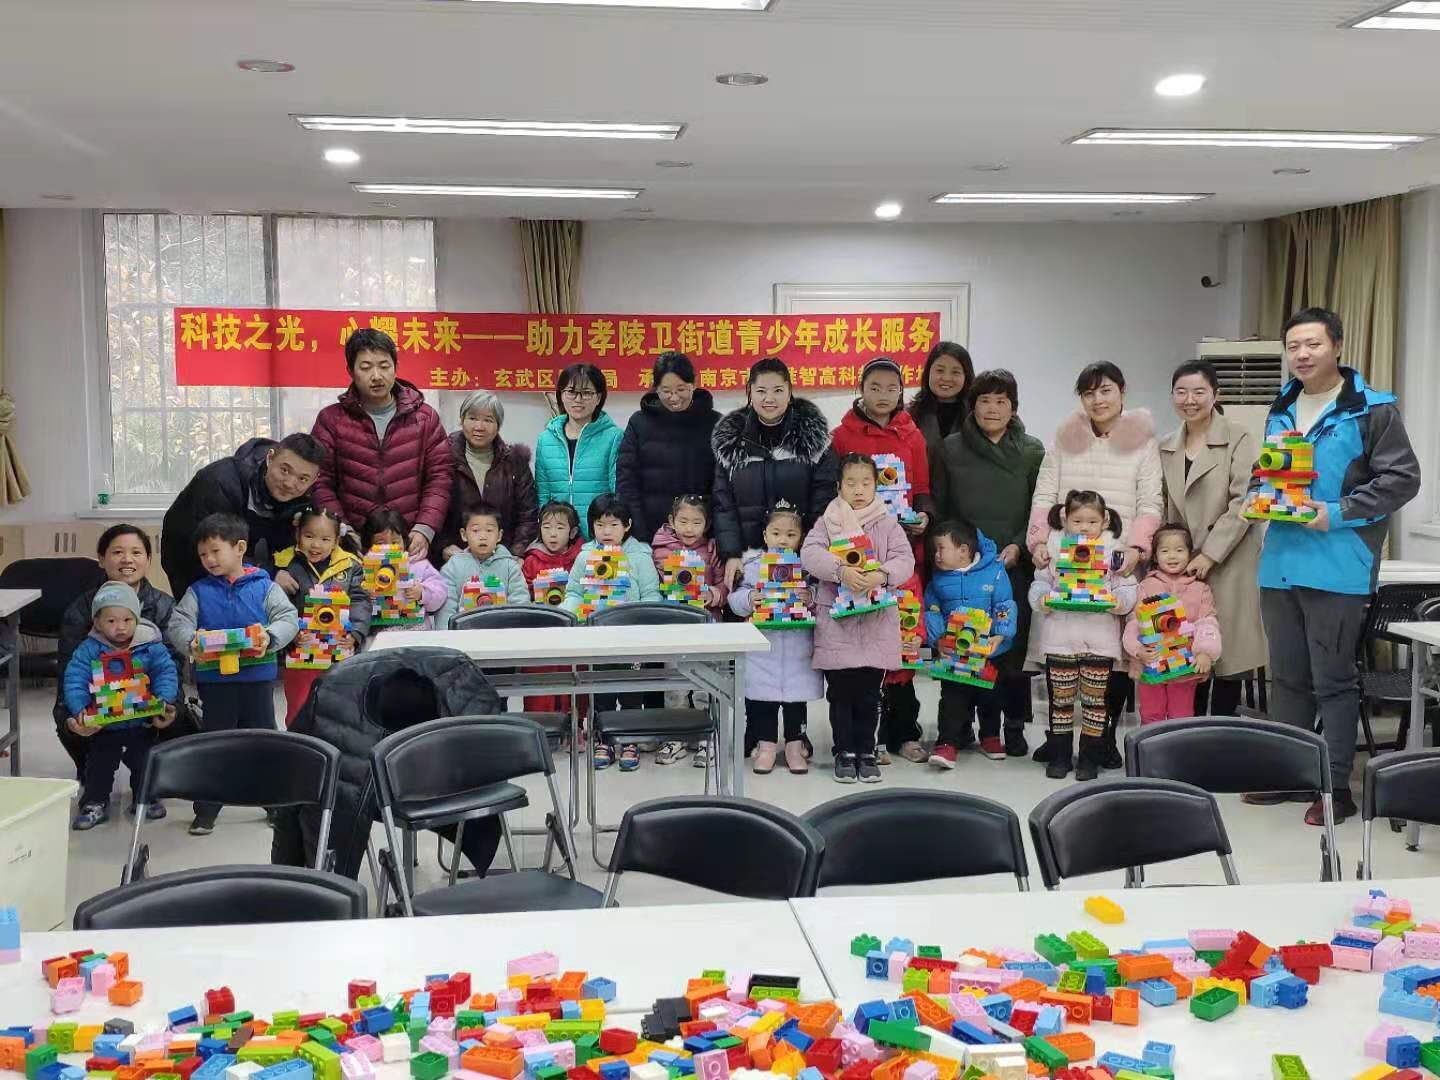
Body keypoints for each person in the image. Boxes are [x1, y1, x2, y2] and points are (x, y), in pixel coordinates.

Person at [1249, 307, 1420, 826]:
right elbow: (1272, 471)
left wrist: (1338, 512)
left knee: (1333, 681)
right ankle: (1288, 775)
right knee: (1287, 678)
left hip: (1338, 563)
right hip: (1280, 561)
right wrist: (1257, 494)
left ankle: (1334, 789)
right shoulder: (1282, 405)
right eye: (1293, 346)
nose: (1302, 354)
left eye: (1313, 344)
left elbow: (1402, 480)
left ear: (1338, 346)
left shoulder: (1373, 409)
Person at [1028, 362, 1162, 769]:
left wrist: (1137, 548)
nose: (1097, 400)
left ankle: (1101, 740)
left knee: (1112, 655)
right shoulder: (1064, 438)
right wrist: (1038, 541)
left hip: (1117, 557)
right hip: (1064, 555)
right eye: (1089, 393)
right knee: (1062, 653)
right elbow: (1044, 494)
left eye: (1105, 391)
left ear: (1122, 392)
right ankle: (1058, 740)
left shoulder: (1143, 443)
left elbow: (1150, 501)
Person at [932, 369, 1045, 756]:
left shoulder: (1031, 450)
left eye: (1001, 401)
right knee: (961, 641)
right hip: (963, 566)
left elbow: (1039, 509)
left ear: (1014, 407)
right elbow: (942, 506)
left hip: (1013, 563)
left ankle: (1012, 725)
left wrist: (1018, 546)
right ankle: (959, 726)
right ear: (972, 405)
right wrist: (952, 551)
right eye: (984, 400)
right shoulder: (950, 448)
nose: (992, 408)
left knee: (1010, 646)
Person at [167, 512, 299, 836]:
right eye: (203, 554)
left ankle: (275, 803)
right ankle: (206, 809)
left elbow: (288, 618)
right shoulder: (198, 591)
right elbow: (178, 623)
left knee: (264, 742)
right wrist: (191, 642)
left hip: (257, 681)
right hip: (215, 683)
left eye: (215, 551)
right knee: (214, 744)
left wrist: (270, 637)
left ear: (239, 548)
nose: (209, 559)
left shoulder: (265, 586)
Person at [830, 356, 933, 764]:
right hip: (856, 551)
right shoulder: (842, 434)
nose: (883, 395)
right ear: (861, 388)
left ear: (902, 391)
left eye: (892, 387)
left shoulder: (912, 434)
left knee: (902, 634)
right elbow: (833, 492)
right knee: (867, 644)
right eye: (875, 386)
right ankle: (868, 737)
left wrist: (923, 516)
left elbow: (922, 487)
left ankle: (904, 732)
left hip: (900, 548)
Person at [801, 453, 916, 785]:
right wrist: (840, 571)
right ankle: (844, 752)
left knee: (869, 694)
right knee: (840, 693)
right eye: (851, 483)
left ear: (877, 486)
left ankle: (867, 751)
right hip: (837, 624)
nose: (859, 489)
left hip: (876, 621)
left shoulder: (888, 523)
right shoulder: (827, 521)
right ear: (839, 486)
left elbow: (904, 560)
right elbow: (810, 554)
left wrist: (881, 574)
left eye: (866, 482)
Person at [1159, 360, 1266, 717]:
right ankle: (1188, 732)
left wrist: (1210, 554)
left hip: (1230, 559)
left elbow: (1246, 500)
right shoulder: (1166, 446)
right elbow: (1162, 505)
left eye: (1199, 392)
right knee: (1184, 648)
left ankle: (1220, 731)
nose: (1189, 400)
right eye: (1181, 392)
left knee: (1228, 655)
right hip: (1181, 564)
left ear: (1215, 394)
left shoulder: (1239, 437)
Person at [56, 525, 183, 785]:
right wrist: (77, 716)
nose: (127, 559)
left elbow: (172, 670)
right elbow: (70, 674)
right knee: (64, 714)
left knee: (182, 719)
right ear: (101, 559)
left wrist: (168, 705)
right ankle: (90, 770)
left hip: (148, 703)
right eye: (117, 552)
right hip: (99, 704)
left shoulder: (165, 607)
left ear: (148, 559)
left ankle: (153, 780)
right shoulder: (81, 609)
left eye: (136, 552)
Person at [310, 328, 451, 560]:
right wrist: (342, 531)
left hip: (409, 544)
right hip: (351, 547)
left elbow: (440, 477)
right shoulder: (331, 420)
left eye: (384, 366)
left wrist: (424, 528)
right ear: (350, 371)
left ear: (396, 367)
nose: (376, 376)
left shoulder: (425, 418)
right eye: (366, 367)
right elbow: (320, 481)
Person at [1027, 490, 1139, 781]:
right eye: (1077, 521)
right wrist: (1043, 599)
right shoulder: (1053, 549)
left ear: (1105, 521)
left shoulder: (1114, 552)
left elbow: (1127, 587)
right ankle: (1060, 756)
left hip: (1099, 642)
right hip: (1059, 640)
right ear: (1066, 520)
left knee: (1095, 703)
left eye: (1092, 521)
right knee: (1060, 703)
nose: (1085, 527)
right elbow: (1039, 583)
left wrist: (1118, 603)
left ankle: (1089, 758)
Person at [62, 582, 179, 830]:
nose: (120, 627)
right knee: (99, 766)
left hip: (141, 720)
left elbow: (166, 672)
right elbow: (74, 679)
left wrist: (164, 699)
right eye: (111, 621)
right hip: (105, 725)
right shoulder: (89, 649)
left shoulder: (150, 645)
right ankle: (94, 802)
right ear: (97, 622)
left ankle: (145, 798)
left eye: (127, 619)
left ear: (137, 619)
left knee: (144, 762)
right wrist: (80, 708)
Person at [713, 358, 838, 589]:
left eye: (778, 390)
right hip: (749, 562)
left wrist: (811, 550)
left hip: (802, 560)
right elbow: (723, 503)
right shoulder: (730, 442)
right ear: (749, 392)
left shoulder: (815, 441)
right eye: (761, 391)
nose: (769, 399)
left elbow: (824, 501)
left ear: (790, 392)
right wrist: (731, 553)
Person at [562, 493, 661, 773]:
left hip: (631, 638)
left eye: (614, 525)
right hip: (597, 636)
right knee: (601, 690)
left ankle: (629, 740)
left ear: (627, 525)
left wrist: (643, 624)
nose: (607, 531)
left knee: (631, 692)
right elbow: (574, 592)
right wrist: (570, 615)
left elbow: (651, 594)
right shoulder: (585, 556)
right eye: (600, 525)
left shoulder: (640, 556)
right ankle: (603, 740)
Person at [161, 433, 326, 597]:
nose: (289, 483)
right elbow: (213, 547)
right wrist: (269, 573)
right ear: (270, 458)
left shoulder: (305, 499)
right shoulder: (221, 482)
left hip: (245, 555)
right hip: (190, 554)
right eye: (284, 470)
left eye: (303, 479)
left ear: (313, 480)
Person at [728, 502, 823, 776]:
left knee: (796, 702)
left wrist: (811, 597)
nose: (783, 540)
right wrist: (749, 598)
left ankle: (795, 745)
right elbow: (735, 599)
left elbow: (824, 597)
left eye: (791, 534)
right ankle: (766, 746)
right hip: (763, 648)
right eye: (776, 533)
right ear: (765, 535)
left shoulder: (808, 566)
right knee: (763, 701)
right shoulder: (753, 566)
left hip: (797, 648)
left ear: (801, 537)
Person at [923, 521, 1017, 767]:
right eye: (935, 549)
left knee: (990, 696)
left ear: (963, 550)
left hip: (989, 651)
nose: (936, 555)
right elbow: (932, 610)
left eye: (942, 548)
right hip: (954, 652)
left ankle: (990, 736)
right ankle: (947, 742)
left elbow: (1004, 604)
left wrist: (1001, 635)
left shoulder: (994, 571)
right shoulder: (938, 579)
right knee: (952, 698)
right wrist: (938, 639)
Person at [269, 506, 371, 727]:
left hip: (338, 650)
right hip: (300, 651)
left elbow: (360, 601)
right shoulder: (283, 564)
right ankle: (298, 742)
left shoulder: (351, 565)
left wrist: (355, 633)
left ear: (336, 541)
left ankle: (334, 743)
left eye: (325, 539)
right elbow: (277, 606)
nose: (316, 545)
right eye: (309, 536)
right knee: (298, 705)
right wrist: (290, 633)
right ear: (298, 534)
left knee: (339, 704)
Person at [649, 494, 729, 768]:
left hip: (708, 626)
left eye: (696, 522)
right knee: (675, 684)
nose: (689, 528)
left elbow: (724, 584)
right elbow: (655, 586)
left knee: (706, 683)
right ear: (672, 521)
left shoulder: (713, 548)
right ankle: (676, 736)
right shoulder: (660, 548)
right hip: (673, 627)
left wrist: (713, 595)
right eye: (683, 521)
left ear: (707, 524)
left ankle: (707, 736)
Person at [1121, 523, 1222, 724]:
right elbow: (1134, 622)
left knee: (1181, 716)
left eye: (1179, 550)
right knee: (1151, 714)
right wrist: (1137, 651)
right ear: (1155, 556)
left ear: (1190, 553)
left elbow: (1207, 623)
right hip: (1151, 664)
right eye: (1165, 551)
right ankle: (1150, 744)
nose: (1172, 556)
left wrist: (1205, 652)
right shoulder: (1146, 586)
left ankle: (1178, 745)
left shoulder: (1200, 588)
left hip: (1184, 668)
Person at [617, 352, 720, 544]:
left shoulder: (715, 424)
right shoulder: (639, 423)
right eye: (666, 391)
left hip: (701, 537)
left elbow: (722, 487)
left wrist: (710, 532)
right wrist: (640, 536)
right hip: (650, 534)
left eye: (681, 389)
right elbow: (627, 483)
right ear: (656, 388)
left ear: (694, 384)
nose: (674, 398)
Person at [440, 389, 539, 562]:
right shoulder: (442, 457)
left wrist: (516, 554)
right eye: (472, 418)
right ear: (461, 420)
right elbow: (431, 506)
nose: (479, 427)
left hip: (503, 559)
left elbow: (528, 515)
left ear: (498, 425)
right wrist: (443, 545)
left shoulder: (515, 462)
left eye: (488, 420)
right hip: (455, 559)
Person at [535, 363, 623, 540]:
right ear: (561, 395)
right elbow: (542, 495)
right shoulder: (545, 439)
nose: (578, 399)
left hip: (599, 537)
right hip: (559, 541)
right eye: (571, 392)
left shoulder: (614, 437)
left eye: (586, 393)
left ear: (598, 397)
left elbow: (618, 494)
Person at [520, 500, 586, 719]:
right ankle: (541, 723)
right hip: (540, 633)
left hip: (575, 632)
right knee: (541, 678)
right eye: (547, 527)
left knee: (575, 677)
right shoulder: (531, 560)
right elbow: (524, 593)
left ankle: (577, 723)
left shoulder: (581, 558)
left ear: (572, 531)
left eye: (560, 527)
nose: (553, 534)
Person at [436, 503, 531, 629]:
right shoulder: (453, 566)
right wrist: (447, 634)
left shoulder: (510, 566)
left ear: (499, 535)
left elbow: (520, 601)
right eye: (475, 531)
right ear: (464, 534)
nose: (483, 537)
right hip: (464, 633)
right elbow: (447, 607)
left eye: (489, 530)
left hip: (502, 632)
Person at [360, 509, 447, 631]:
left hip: (415, 629)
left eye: (395, 542)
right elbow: (354, 601)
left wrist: (422, 593)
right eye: (380, 544)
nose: (389, 548)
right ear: (369, 546)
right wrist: (365, 595)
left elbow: (440, 594)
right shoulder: (365, 568)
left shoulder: (418, 565)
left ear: (405, 541)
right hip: (378, 630)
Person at [908, 341, 976, 465]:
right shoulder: (909, 415)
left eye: (955, 372)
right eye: (940, 370)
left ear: (966, 375)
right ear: (928, 372)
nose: (946, 378)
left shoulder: (977, 414)